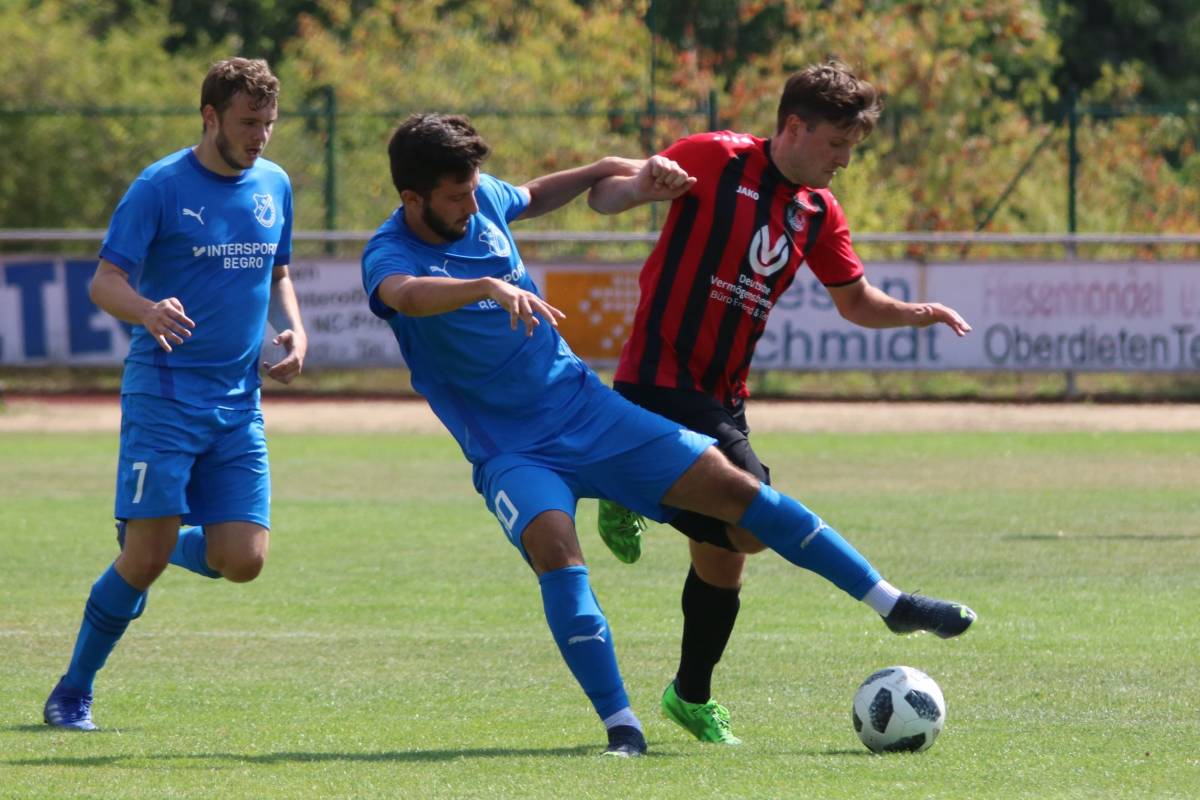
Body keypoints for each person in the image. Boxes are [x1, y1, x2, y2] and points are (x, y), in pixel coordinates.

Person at [361, 113, 974, 758]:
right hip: (509, 448)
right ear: (413, 198)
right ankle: (623, 727)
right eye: (455, 198)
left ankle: (892, 603)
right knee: (556, 550)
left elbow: (535, 196)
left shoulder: (480, 196)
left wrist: (603, 168)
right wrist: (482, 286)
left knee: (744, 504)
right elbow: (403, 295)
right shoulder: (389, 251)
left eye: (473, 190)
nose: (471, 203)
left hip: (586, 410)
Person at [592, 60, 976, 746]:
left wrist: (917, 313)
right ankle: (631, 484)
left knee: (726, 557)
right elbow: (608, 199)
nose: (843, 161)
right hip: (657, 378)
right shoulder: (714, 157)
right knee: (749, 522)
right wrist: (645, 188)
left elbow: (855, 301)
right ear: (794, 127)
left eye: (851, 149)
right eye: (836, 145)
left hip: (724, 396)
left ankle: (688, 694)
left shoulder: (818, 210)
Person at [43, 57, 306, 731]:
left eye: (270, 124)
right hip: (164, 396)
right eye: (249, 123)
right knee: (146, 563)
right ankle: (73, 690)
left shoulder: (274, 183)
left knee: (241, 561)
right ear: (211, 116)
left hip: (238, 402)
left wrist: (294, 330)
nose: (261, 137)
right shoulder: (159, 187)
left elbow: (278, 274)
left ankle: (153, 538)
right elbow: (104, 283)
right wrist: (146, 308)